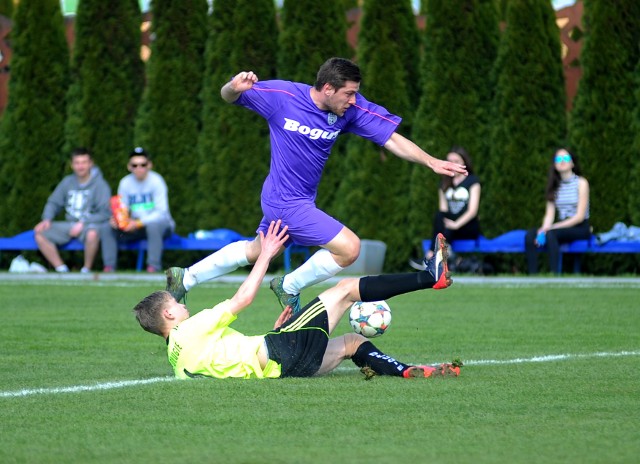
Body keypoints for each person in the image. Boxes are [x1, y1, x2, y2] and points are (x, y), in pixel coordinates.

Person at [165, 57, 467, 312]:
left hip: (297, 200)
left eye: (355, 93)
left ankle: (186, 277)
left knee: (257, 251)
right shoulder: (283, 97)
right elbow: (228, 96)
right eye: (348, 93)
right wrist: (233, 86)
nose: (353, 100)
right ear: (327, 88)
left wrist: (430, 161)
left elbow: (390, 139)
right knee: (349, 248)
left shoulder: (348, 110)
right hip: (285, 201)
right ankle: (289, 285)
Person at [135, 220, 461, 380]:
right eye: (177, 304)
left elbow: (232, 361)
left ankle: (406, 371)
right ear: (168, 313)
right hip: (284, 353)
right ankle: (429, 277)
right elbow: (243, 298)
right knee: (346, 289)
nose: (183, 304)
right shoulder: (191, 328)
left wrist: (278, 333)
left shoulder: (175, 361)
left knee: (349, 342)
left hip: (286, 367)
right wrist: (265, 254)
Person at [33, 148, 111, 273]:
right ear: (72, 165)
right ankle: (61, 269)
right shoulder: (67, 182)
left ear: (91, 163)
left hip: (90, 225)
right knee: (40, 233)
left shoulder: (100, 184)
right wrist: (47, 219)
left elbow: (105, 212)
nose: (80, 166)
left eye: (84, 162)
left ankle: (86, 269)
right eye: (77, 163)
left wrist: (83, 222)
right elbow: (53, 202)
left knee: (92, 234)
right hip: (69, 224)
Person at [100, 147, 175, 273]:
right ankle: (109, 268)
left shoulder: (157, 181)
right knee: (107, 228)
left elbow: (161, 213)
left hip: (160, 226)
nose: (138, 168)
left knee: (153, 226)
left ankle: (153, 266)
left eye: (142, 165)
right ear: (129, 167)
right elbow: (122, 209)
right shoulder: (125, 182)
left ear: (149, 165)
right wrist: (118, 221)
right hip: (135, 226)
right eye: (134, 165)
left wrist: (138, 222)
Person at [409, 146, 481, 271]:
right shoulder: (444, 183)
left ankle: (431, 257)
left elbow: (472, 211)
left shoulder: (473, 181)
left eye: (456, 161)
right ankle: (434, 255)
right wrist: (450, 224)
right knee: (440, 216)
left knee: (447, 224)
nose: (453, 164)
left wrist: (456, 224)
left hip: (467, 226)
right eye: (450, 161)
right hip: (450, 228)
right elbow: (443, 210)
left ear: (464, 162)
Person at [524, 148, 590, 274]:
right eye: (558, 159)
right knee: (530, 235)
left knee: (551, 234)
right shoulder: (554, 186)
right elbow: (549, 215)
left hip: (580, 227)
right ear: (554, 164)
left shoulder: (581, 183)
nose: (562, 162)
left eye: (566, 158)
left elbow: (579, 217)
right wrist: (543, 229)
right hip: (561, 227)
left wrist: (552, 228)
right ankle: (532, 275)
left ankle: (554, 275)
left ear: (572, 163)